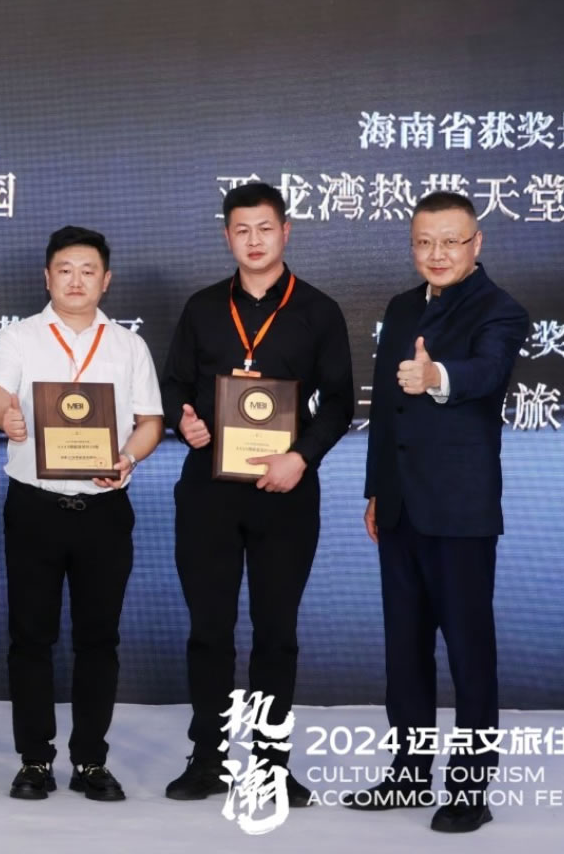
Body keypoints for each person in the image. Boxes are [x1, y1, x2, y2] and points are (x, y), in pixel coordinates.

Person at [159, 182, 354, 809]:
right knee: (209, 630)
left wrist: (301, 457)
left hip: (285, 491)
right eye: (241, 230)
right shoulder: (203, 307)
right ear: (227, 236)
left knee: (277, 633)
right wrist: (184, 420)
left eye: (265, 228)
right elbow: (174, 385)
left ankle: (272, 765)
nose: (254, 240)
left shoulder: (319, 310)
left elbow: (341, 401)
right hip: (209, 491)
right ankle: (208, 760)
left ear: (286, 231)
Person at [344, 191, 528, 834]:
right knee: (405, 650)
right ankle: (408, 774)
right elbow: (384, 411)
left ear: (478, 243)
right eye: (425, 242)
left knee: (469, 654)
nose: (438, 253)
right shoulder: (401, 306)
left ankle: (471, 788)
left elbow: (486, 373)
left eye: (451, 241)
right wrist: (375, 490)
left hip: (459, 510)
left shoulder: (500, 309)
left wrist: (437, 378)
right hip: (399, 506)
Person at [0, 225, 163, 802]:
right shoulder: (19, 337)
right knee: (30, 639)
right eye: (65, 269)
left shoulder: (128, 346)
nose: (76, 280)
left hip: (103, 510)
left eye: (88, 270)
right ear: (47, 277)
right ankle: (34, 759)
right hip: (34, 506)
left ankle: (90, 759)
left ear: (106, 280)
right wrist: (6, 416)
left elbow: (150, 421)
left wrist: (128, 456)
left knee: (98, 639)